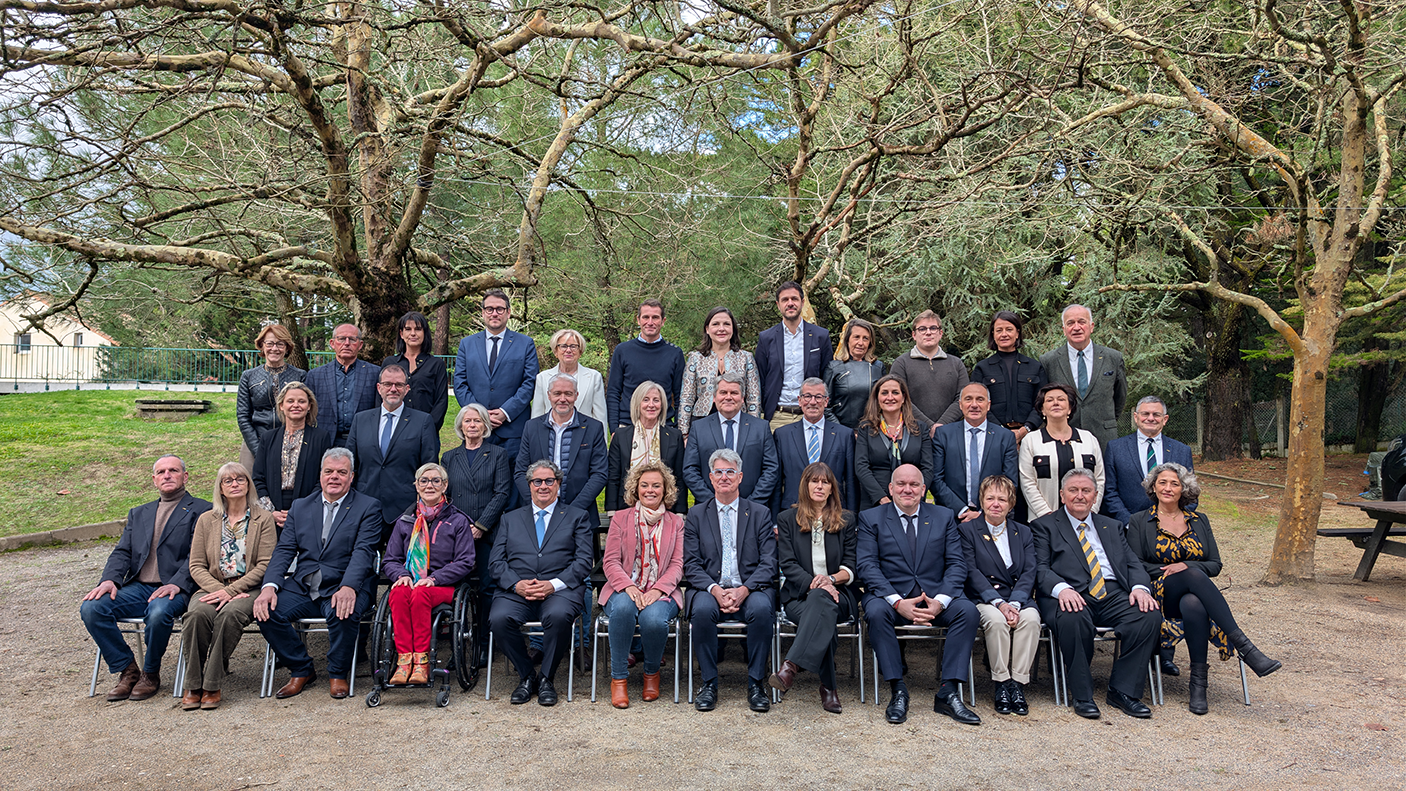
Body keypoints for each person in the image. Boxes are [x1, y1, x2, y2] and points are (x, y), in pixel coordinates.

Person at [1125, 463, 1280, 714]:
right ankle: (1245, 647)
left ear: (1183, 489)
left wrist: (1184, 564)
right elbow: (1135, 563)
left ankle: (1198, 685)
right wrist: (1173, 570)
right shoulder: (1140, 521)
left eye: (1175, 483)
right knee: (1194, 575)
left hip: (1192, 592)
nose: (1168, 488)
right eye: (1162, 482)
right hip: (1157, 593)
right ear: (1153, 487)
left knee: (1193, 603)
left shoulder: (1199, 520)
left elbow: (1215, 564)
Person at [856, 464, 982, 726]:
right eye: (901, 484)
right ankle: (897, 688)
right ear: (890, 489)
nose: (907, 489)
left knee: (968, 611)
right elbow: (867, 566)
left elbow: (957, 564)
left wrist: (941, 601)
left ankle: (949, 691)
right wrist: (897, 602)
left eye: (914, 485)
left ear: (924, 490)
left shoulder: (944, 516)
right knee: (876, 611)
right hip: (890, 599)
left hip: (935, 598)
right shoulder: (871, 518)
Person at [1032, 469, 1161, 719]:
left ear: (1095, 495)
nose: (1079, 496)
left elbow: (1132, 563)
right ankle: (1082, 694)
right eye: (1073, 490)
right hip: (1067, 593)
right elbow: (1039, 567)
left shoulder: (1111, 526)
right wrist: (1062, 589)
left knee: (1148, 615)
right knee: (1073, 618)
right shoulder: (1043, 526)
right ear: (1062, 495)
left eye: (1086, 491)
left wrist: (1140, 588)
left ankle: (1122, 691)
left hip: (1112, 592)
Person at [81, 455, 211, 702]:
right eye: (161, 472)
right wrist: (109, 580)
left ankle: (150, 672)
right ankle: (128, 670)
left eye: (173, 470)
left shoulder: (202, 510)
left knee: (159, 612)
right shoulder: (139, 513)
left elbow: (200, 553)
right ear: (154, 480)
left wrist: (178, 582)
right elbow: (122, 552)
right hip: (140, 587)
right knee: (92, 608)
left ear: (185, 476)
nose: (167, 475)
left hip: (177, 588)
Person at [255, 448, 381, 700]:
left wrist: (349, 587)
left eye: (341, 472)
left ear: (352, 476)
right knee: (265, 610)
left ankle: (337, 673)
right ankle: (301, 668)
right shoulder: (301, 507)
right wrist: (269, 586)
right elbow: (284, 551)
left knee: (343, 611)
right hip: (305, 585)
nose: (334, 477)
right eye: (329, 472)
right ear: (320, 475)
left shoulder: (368, 507)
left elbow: (363, 552)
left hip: (344, 582)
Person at [488, 460, 595, 707]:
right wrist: (517, 585)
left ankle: (547, 677)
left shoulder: (576, 517)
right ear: (529, 485)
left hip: (560, 591)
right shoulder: (510, 518)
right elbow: (496, 562)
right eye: (538, 481)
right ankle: (527, 675)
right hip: (516, 591)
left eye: (549, 481)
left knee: (558, 617)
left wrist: (553, 584)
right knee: (499, 620)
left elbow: (582, 562)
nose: (543, 486)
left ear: (558, 484)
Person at [683, 449, 778, 712]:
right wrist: (714, 590)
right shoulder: (696, 515)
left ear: (740, 477)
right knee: (702, 610)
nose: (724, 477)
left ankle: (756, 682)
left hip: (750, 586)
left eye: (730, 472)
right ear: (710, 478)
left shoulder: (759, 513)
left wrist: (744, 589)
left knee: (761, 609)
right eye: (719, 472)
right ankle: (709, 682)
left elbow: (769, 562)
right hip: (709, 586)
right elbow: (690, 564)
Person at [180, 462, 276, 710]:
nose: (235, 484)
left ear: (248, 484)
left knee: (230, 614)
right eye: (228, 480)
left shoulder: (263, 519)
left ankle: (211, 684)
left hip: (249, 588)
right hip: (212, 586)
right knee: (196, 615)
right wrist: (218, 590)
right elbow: (197, 565)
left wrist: (231, 592)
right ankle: (192, 683)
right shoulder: (206, 520)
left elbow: (265, 564)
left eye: (240, 479)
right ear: (220, 488)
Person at [768, 462, 856, 714]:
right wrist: (815, 582)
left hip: (840, 594)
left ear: (831, 489)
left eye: (825, 482)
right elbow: (787, 563)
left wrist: (830, 580)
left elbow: (851, 564)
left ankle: (790, 667)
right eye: (814, 481)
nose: (819, 486)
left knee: (821, 604)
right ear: (805, 485)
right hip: (798, 596)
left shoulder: (846, 520)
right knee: (820, 611)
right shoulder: (787, 519)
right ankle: (828, 687)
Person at [599, 461, 686, 708]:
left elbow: (677, 564)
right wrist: (629, 587)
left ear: (665, 489)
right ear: (635, 489)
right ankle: (619, 680)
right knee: (625, 608)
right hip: (624, 588)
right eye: (645, 485)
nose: (650, 490)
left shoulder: (675, 523)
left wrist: (658, 589)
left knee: (653, 619)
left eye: (656, 485)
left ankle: (651, 674)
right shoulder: (621, 519)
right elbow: (611, 561)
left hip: (661, 590)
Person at [382, 463, 476, 686]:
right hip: (411, 580)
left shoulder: (458, 520)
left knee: (420, 593)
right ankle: (404, 661)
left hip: (443, 585)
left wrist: (434, 579)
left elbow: (466, 561)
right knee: (398, 593)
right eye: (424, 481)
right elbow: (390, 559)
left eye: (436, 481)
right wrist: (400, 575)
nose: (429, 485)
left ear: (445, 486)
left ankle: (422, 661)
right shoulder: (404, 521)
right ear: (416, 486)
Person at [956, 475, 1040, 716]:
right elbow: (971, 571)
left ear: (1011, 504)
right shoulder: (967, 531)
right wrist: (1001, 604)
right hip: (984, 598)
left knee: (1031, 620)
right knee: (995, 621)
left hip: (1018, 596)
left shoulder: (1023, 532)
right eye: (990, 498)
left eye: (1002, 499)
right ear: (981, 501)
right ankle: (1001, 683)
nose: (996, 504)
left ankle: (1018, 683)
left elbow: (1029, 570)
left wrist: (1015, 601)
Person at [442, 403, 513, 668]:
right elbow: (446, 495)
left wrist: (481, 525)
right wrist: (461, 527)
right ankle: (458, 645)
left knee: (487, 588)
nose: (472, 425)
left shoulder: (497, 454)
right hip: (457, 533)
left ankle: (484, 644)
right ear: (460, 426)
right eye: (467, 421)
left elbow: (502, 493)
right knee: (455, 587)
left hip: (489, 531)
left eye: (478, 421)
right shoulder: (449, 457)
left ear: (485, 426)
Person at [347, 365, 441, 544]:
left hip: (405, 510)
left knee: (399, 569)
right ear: (379, 388)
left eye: (399, 384)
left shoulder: (422, 421)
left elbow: (428, 468)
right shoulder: (360, 420)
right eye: (388, 384)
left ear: (407, 389)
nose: (393, 389)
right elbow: (351, 465)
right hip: (365, 507)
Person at [453, 289, 539, 462]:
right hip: (477, 430)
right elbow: (460, 383)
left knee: (513, 484)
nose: (494, 313)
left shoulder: (525, 344)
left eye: (499, 309)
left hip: (513, 429)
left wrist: (505, 412)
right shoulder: (467, 344)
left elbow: (529, 383)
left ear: (508, 313)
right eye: (489, 309)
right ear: (483, 312)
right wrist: (480, 416)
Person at [515, 373, 609, 527]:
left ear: (576, 395)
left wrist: (573, 510)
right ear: (549, 395)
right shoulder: (532, 427)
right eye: (557, 393)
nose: (563, 399)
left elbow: (599, 474)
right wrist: (538, 503)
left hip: (580, 515)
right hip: (539, 514)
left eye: (568, 394)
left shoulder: (593, 428)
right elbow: (520, 472)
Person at [1038, 304, 1127, 452]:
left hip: (1103, 437)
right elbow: (1042, 400)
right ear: (1064, 329)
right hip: (1062, 439)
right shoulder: (1049, 361)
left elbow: (1120, 397)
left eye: (1082, 322)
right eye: (1070, 323)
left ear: (1091, 326)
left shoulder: (1113, 358)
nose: (1076, 327)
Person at [681, 372, 779, 505]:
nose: (728, 397)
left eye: (734, 393)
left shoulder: (761, 428)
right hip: (709, 509)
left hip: (752, 510)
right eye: (723, 392)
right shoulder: (699, 428)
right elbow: (690, 470)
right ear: (714, 397)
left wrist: (751, 504)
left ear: (742, 398)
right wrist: (712, 502)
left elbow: (771, 469)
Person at [931, 382, 1018, 522]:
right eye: (968, 399)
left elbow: (1010, 482)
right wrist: (962, 510)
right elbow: (935, 478)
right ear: (960, 405)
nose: (974, 404)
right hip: (952, 516)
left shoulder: (1005, 437)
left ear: (988, 405)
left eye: (980, 399)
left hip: (992, 517)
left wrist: (983, 513)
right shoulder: (944, 435)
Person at [252, 381, 333, 532]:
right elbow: (258, 477)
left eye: (301, 401)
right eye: (290, 401)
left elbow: (322, 478)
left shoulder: (321, 437)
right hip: (272, 513)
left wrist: (300, 510)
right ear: (281, 406)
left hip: (307, 512)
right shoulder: (268, 438)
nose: (296, 405)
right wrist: (271, 512)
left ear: (309, 406)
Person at [1019, 383, 1104, 520]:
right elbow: (1027, 482)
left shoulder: (1088, 438)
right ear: (1042, 410)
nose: (1056, 403)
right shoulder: (1031, 440)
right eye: (1049, 400)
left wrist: (1091, 510)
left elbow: (1099, 478)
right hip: (1044, 522)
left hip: (1084, 520)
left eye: (1061, 399)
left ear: (1070, 408)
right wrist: (1046, 516)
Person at [755, 281, 833, 430]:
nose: (790, 303)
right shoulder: (766, 338)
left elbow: (826, 376)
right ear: (778, 305)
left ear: (802, 302)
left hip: (811, 415)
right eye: (785, 300)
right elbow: (761, 378)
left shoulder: (820, 336)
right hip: (777, 416)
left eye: (794, 299)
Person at [1105, 396, 1195, 523]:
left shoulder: (1182, 451)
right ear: (1136, 417)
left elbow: (1190, 493)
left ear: (1165, 419)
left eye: (1156, 414)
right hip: (1128, 528)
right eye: (1145, 414)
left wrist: (1175, 521)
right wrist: (1129, 523)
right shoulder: (1115, 448)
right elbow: (1109, 492)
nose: (1151, 418)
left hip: (1171, 528)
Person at [677, 306, 762, 438]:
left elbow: (753, 398)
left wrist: (753, 429)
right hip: (701, 422)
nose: (721, 328)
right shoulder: (695, 358)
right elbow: (686, 398)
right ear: (707, 329)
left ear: (733, 329)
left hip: (738, 424)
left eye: (726, 324)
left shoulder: (746, 358)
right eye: (715, 324)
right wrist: (684, 433)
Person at [773, 377, 855, 512]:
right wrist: (775, 520)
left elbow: (851, 481)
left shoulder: (844, 435)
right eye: (807, 396)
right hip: (793, 511)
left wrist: (852, 518)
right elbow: (776, 481)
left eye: (818, 397)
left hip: (833, 511)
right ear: (799, 400)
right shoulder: (782, 435)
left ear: (826, 401)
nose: (812, 402)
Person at [605, 380, 687, 515]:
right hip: (627, 509)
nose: (651, 405)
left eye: (656, 400)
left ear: (662, 405)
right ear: (637, 404)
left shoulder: (674, 436)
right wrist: (612, 511)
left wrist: (681, 512)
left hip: (665, 510)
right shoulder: (621, 435)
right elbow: (613, 476)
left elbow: (679, 477)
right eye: (646, 400)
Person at [853, 375, 933, 512]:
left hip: (912, 502)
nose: (890, 397)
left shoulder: (920, 429)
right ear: (877, 399)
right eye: (884, 393)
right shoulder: (866, 429)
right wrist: (882, 498)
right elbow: (861, 467)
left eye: (895, 392)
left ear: (903, 398)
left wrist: (916, 495)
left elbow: (928, 467)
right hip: (876, 503)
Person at [605, 299, 685, 430]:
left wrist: (678, 429)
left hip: (663, 426)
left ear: (663, 321)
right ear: (638, 320)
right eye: (646, 317)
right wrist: (614, 429)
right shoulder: (622, 351)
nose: (650, 322)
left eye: (655, 317)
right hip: (627, 425)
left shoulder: (675, 353)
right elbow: (613, 392)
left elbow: (680, 396)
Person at [236, 323, 306, 470]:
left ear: (287, 347)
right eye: (270, 343)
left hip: (290, 440)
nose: (275, 348)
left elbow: (306, 412)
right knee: (251, 487)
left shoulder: (300, 376)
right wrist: (257, 449)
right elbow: (243, 416)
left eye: (280, 344)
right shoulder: (248, 376)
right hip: (255, 439)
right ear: (262, 345)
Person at [969, 310, 1046, 443]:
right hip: (992, 436)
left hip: (1031, 436)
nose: (1004, 334)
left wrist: (1026, 429)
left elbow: (1042, 403)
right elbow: (977, 404)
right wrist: (1000, 430)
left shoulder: (1034, 367)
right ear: (993, 334)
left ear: (1017, 333)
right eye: (999, 330)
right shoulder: (982, 368)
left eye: (1009, 329)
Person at [305, 323, 380, 448]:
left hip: (364, 442)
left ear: (360, 345)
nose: (346, 343)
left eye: (352, 339)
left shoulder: (375, 373)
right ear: (332, 343)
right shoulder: (315, 375)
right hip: (326, 441)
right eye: (341, 339)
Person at [889, 310, 968, 428]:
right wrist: (928, 426)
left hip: (950, 432)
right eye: (922, 329)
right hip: (913, 432)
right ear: (914, 335)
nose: (928, 332)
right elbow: (899, 399)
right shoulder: (901, 364)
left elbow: (963, 398)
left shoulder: (956, 364)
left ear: (940, 333)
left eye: (933, 328)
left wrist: (942, 425)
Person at [380, 311, 449, 431]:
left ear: (424, 333)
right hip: (394, 429)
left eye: (418, 329)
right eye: (408, 329)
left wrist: (429, 428)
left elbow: (441, 401)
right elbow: (381, 396)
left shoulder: (436, 364)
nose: (413, 333)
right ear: (401, 333)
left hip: (426, 429)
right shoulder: (390, 363)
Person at [531, 328, 607, 428]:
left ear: (580, 352)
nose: (568, 350)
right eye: (563, 346)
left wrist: (601, 442)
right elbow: (537, 415)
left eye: (573, 346)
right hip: (551, 437)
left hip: (584, 438)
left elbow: (600, 417)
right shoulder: (543, 378)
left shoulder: (594, 377)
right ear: (555, 351)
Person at [823, 317, 885, 430]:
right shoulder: (834, 367)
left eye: (865, 338)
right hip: (841, 432)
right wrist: (842, 431)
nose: (860, 343)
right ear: (847, 340)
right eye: (856, 337)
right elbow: (825, 406)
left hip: (871, 432)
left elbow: (883, 403)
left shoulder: (877, 367)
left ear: (870, 342)